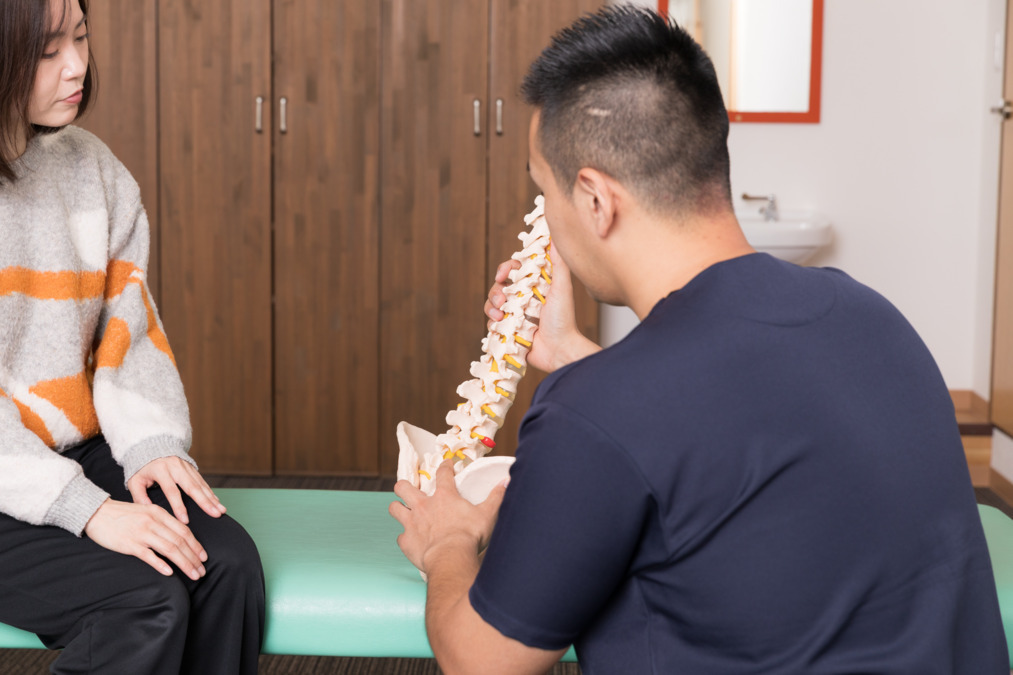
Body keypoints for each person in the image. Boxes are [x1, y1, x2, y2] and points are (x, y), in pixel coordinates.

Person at [390, 6, 1009, 674]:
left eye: (543, 193)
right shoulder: (871, 316)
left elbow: (482, 661)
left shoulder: (595, 411)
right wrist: (570, 352)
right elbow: (728, 428)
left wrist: (446, 542)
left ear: (595, 201)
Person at [0, 0, 265, 672]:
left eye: (82, 39)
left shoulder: (94, 167)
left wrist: (149, 444)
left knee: (224, 566)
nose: (78, 66)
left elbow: (129, 329)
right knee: (145, 598)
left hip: (70, 448)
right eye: (49, 50)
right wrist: (88, 510)